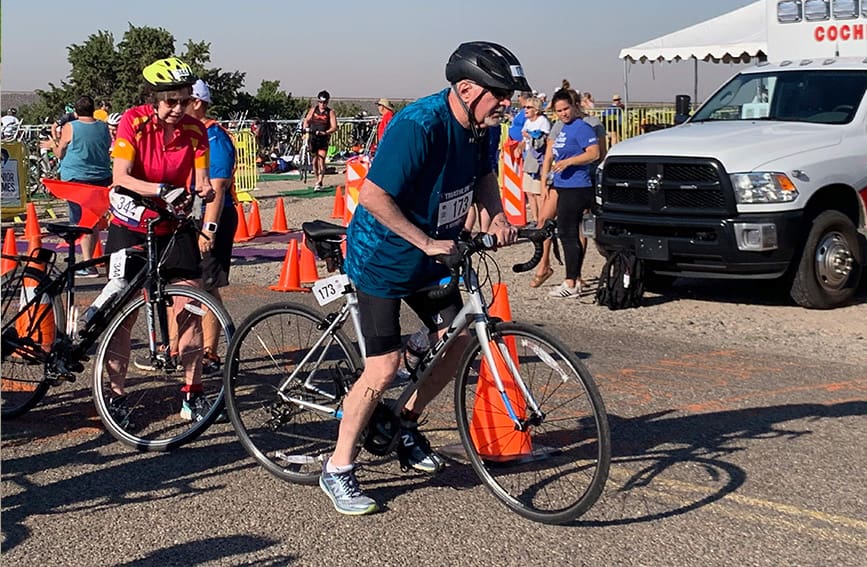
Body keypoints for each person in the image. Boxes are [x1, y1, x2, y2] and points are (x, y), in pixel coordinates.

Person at [319, 41, 528, 516]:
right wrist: (426, 241)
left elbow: (483, 179)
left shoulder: (483, 127)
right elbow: (372, 196)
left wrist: (497, 216)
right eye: (499, 93)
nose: (506, 103)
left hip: (436, 256)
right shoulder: (419, 125)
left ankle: (403, 422)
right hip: (384, 258)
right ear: (467, 88)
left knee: (457, 342)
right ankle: (338, 468)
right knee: (384, 367)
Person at [106, 56, 215, 422]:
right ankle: (117, 395)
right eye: (170, 101)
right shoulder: (133, 122)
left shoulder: (196, 131)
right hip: (133, 222)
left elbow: (201, 177)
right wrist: (159, 189)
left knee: (191, 310)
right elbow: (120, 175)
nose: (177, 109)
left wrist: (204, 189)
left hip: (174, 226)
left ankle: (192, 392)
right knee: (122, 314)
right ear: (154, 99)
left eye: (184, 100)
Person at [185, 79, 239, 376]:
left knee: (207, 285)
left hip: (213, 216)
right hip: (192, 216)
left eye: (183, 101)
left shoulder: (214, 137)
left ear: (197, 103)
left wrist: (209, 229)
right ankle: (183, 346)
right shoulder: (191, 134)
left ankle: (210, 352)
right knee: (189, 283)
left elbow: (217, 188)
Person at [537, 89, 600, 298]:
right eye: (559, 111)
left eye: (566, 109)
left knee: (568, 233)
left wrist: (568, 162)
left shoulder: (582, 128)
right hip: (563, 185)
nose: (563, 113)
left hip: (577, 186)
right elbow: (551, 154)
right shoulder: (563, 128)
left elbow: (594, 153)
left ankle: (571, 281)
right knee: (566, 232)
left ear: (573, 106)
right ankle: (572, 279)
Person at [55, 95, 112, 277]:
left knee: (81, 223)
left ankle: (88, 264)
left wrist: (52, 144)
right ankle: (90, 261)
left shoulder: (70, 127)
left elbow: (60, 152)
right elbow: (107, 146)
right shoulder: (103, 127)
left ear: (76, 112)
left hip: (77, 179)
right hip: (101, 178)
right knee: (93, 220)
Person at [519, 96, 550, 232]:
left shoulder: (543, 122)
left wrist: (529, 136)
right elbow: (524, 139)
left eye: (528, 107)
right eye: (525, 107)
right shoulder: (527, 122)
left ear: (536, 109)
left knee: (538, 192)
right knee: (529, 192)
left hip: (538, 160)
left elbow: (544, 141)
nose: (525, 110)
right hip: (528, 158)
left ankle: (542, 220)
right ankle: (536, 219)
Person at [302, 90, 338, 190]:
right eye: (320, 102)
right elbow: (307, 120)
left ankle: (320, 181)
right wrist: (305, 130)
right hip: (313, 138)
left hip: (323, 138)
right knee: (314, 161)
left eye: (324, 102)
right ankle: (317, 178)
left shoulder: (330, 112)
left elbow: (334, 126)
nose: (322, 104)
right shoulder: (313, 110)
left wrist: (326, 132)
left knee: (321, 160)